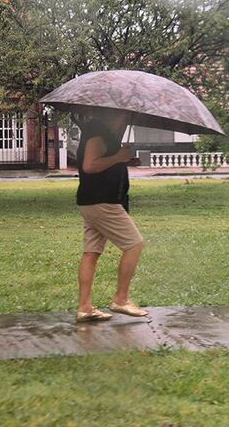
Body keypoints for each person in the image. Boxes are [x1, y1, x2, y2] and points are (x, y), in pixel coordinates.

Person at [74, 112, 148, 322]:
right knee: (134, 244)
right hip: (103, 202)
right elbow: (89, 166)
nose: (124, 120)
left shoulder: (102, 133)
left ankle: (85, 308)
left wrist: (124, 162)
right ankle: (121, 299)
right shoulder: (98, 134)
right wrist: (118, 157)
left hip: (91, 201)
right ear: (111, 114)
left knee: (91, 252)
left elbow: (101, 163)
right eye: (122, 116)